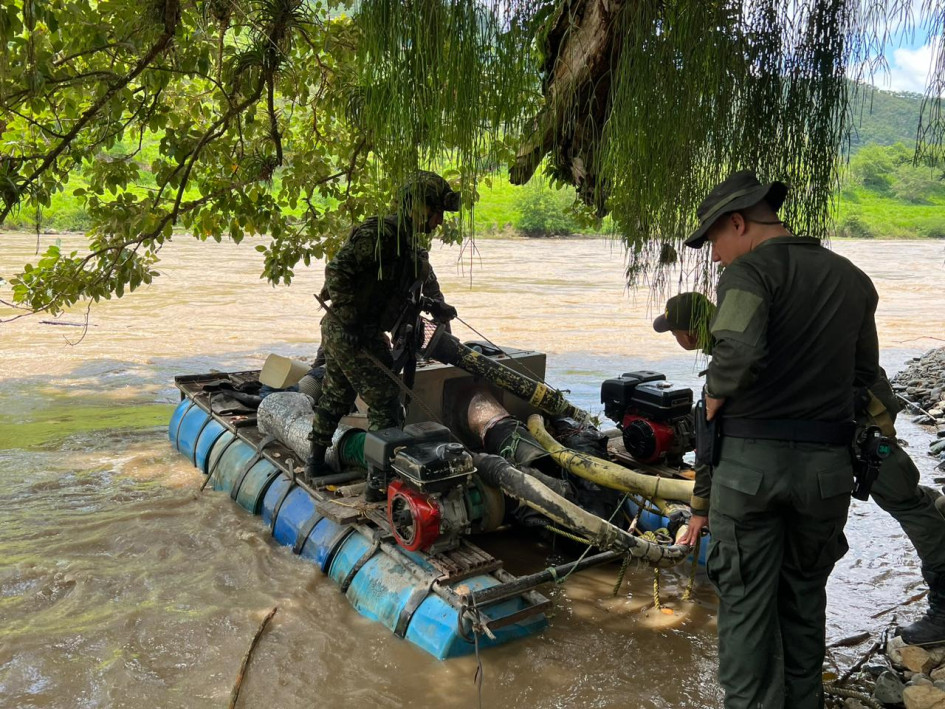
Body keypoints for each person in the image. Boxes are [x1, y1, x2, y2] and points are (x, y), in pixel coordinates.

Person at [677, 170, 881, 709]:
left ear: (739, 223)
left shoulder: (749, 274)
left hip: (751, 473)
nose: (716, 257)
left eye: (715, 241)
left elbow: (738, 353)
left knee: (745, 607)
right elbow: (865, 376)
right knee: (804, 599)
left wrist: (716, 392)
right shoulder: (853, 279)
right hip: (826, 473)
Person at [661, 294, 945, 647]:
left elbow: (714, 444)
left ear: (688, 334)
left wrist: (701, 509)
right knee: (912, 504)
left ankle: (944, 609)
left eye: (674, 331)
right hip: (837, 435)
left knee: (910, 505)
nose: (676, 339)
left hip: (851, 433)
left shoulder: (736, 356)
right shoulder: (758, 331)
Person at [308, 171, 460, 479]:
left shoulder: (411, 249)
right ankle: (379, 480)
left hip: (362, 332)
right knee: (386, 401)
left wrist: (438, 307)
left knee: (338, 394)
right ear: (418, 207)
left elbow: (423, 288)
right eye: (437, 212)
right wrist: (350, 321)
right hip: (348, 330)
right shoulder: (380, 235)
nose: (439, 222)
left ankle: (315, 462)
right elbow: (336, 272)